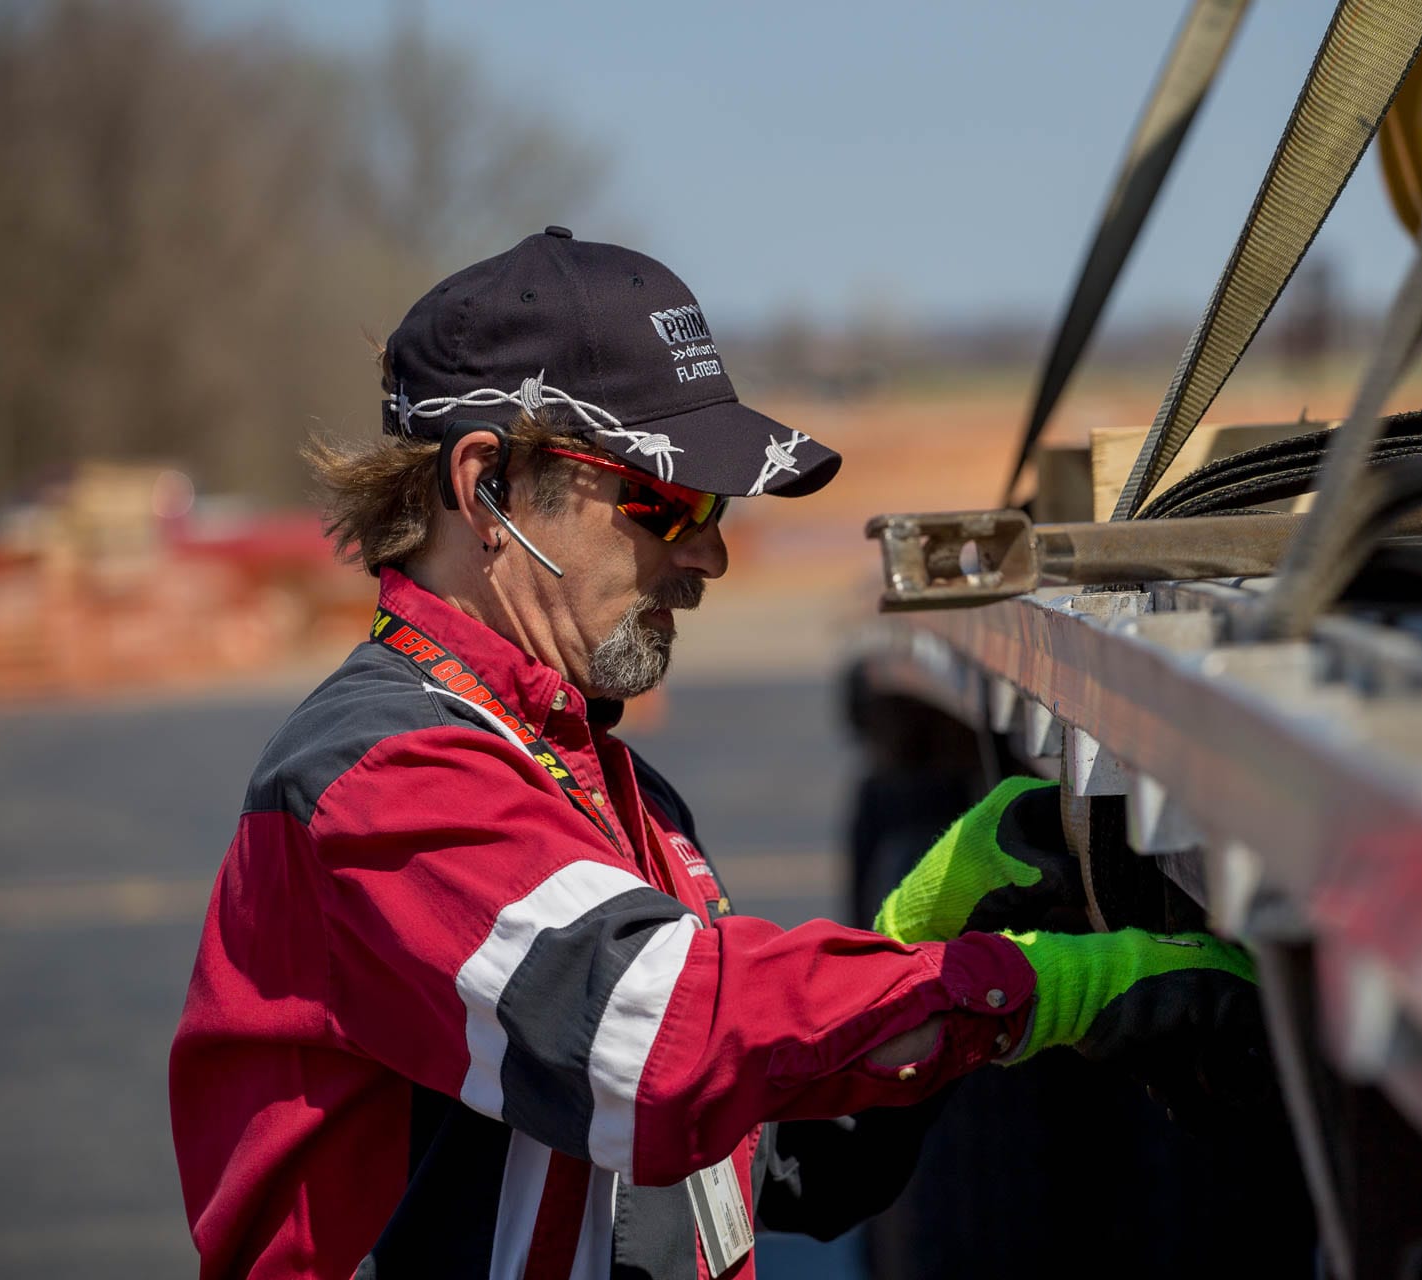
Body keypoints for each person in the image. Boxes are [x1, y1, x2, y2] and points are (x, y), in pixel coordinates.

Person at [169, 228, 1261, 1279]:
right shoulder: (376, 777)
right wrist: (1023, 988)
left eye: (718, 503)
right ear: (484, 487)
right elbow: (660, 1046)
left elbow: (760, 1153)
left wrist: (921, 931)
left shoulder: (609, 789)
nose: (711, 552)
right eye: (668, 499)